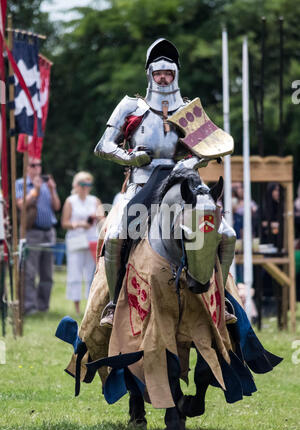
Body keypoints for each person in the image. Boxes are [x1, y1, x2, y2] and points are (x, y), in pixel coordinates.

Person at [95, 38, 236, 327]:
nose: (163, 77)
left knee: (226, 235)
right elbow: (103, 146)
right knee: (116, 235)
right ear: (149, 73)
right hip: (141, 182)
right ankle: (112, 303)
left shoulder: (189, 109)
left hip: (183, 182)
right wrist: (131, 158)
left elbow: (209, 150)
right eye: (158, 72)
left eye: (168, 73)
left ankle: (223, 299)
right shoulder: (130, 105)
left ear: (176, 75)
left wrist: (192, 162)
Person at [15, 157, 61, 315]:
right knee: (29, 272)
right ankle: (29, 306)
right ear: (27, 168)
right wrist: (35, 190)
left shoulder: (47, 184)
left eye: (39, 165)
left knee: (47, 273)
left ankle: (43, 307)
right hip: (31, 232)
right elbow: (22, 205)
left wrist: (53, 189)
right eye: (33, 165)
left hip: (49, 232)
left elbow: (56, 206)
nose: (37, 168)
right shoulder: (21, 184)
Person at [61, 171, 105, 315]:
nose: (85, 187)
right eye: (83, 184)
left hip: (92, 239)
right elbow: (65, 223)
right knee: (75, 272)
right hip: (76, 239)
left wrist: (97, 217)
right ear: (76, 185)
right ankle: (77, 308)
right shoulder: (70, 200)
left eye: (88, 184)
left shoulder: (95, 200)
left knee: (91, 274)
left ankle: (90, 306)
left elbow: (103, 220)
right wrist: (80, 224)